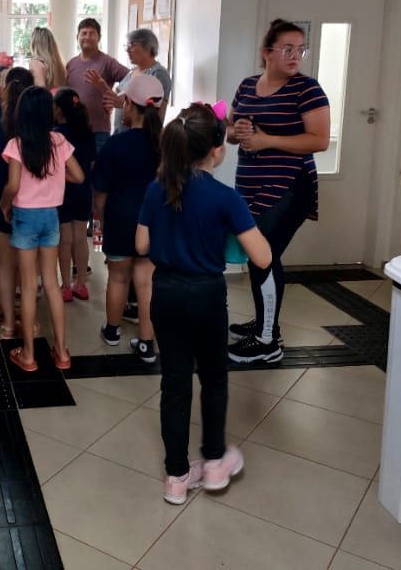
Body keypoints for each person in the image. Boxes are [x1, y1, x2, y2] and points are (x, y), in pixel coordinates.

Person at [136, 102, 271, 505]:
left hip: (166, 294)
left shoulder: (157, 188)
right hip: (207, 297)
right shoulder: (226, 198)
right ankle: (214, 462)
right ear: (216, 149)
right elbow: (262, 257)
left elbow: (141, 244)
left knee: (175, 383)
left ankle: (176, 476)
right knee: (213, 378)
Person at [226, 19, 331, 363]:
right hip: (250, 184)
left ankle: (267, 341)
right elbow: (229, 131)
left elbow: (318, 140)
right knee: (261, 256)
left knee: (264, 255)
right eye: (287, 49)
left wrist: (267, 140)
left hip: (289, 186)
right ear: (266, 52)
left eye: (300, 49)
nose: (295, 56)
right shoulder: (247, 85)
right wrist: (239, 130)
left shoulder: (307, 89)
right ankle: (264, 323)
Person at [2, 86, 84, 372]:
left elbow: (13, 185)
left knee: (28, 286)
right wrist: (57, 178)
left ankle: (28, 356)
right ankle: (61, 352)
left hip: (25, 216)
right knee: (52, 282)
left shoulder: (16, 144)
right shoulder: (58, 141)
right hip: (51, 216)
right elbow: (79, 175)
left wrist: (3, 204)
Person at [93, 74, 164, 363]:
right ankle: (147, 343)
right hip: (153, 223)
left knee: (118, 277)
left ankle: (112, 331)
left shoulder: (114, 145)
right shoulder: (165, 145)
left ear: (130, 106)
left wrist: (100, 219)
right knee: (146, 282)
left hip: (119, 219)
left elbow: (100, 192)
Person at [0, 67, 35, 338]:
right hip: (33, 205)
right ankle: (27, 320)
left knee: (5, 264)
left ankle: (8, 323)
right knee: (28, 270)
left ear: (4, 90)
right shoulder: (38, 130)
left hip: (1, 203)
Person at [53, 87, 96, 302]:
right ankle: (81, 283)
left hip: (63, 191)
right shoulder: (87, 132)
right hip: (84, 190)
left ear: (59, 110)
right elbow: (92, 164)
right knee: (81, 238)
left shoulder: (56, 134)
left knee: (65, 239)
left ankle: (66, 286)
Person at [65, 18, 129, 152]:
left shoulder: (107, 62)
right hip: (73, 128)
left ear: (99, 37)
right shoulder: (71, 64)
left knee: (99, 165)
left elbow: (131, 78)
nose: (87, 37)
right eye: (84, 33)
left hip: (98, 131)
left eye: (92, 33)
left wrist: (116, 98)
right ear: (77, 37)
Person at [111, 28, 172, 132]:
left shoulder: (158, 73)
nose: (128, 50)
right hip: (121, 134)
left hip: (142, 135)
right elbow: (119, 94)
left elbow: (155, 111)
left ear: (148, 48)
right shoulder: (133, 71)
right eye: (127, 46)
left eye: (133, 45)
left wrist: (125, 104)